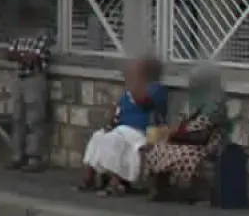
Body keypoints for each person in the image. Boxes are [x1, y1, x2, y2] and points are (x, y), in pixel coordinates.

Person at [142, 65, 231, 202]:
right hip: (188, 138)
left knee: (185, 154)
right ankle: (162, 189)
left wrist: (178, 132)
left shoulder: (216, 102)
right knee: (159, 148)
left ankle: (199, 193)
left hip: (208, 142)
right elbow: (183, 119)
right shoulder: (193, 100)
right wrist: (173, 130)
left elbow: (202, 125)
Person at [79, 58, 166, 195]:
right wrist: (110, 122)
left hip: (140, 131)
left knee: (113, 140)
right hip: (122, 128)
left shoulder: (156, 88)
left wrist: (134, 86)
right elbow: (118, 111)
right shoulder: (128, 92)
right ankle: (89, 178)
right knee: (98, 136)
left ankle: (116, 184)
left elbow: (145, 103)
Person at [4, 21, 54, 172]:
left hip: (35, 78)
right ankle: (17, 156)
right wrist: (22, 56)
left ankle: (34, 157)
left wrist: (21, 56)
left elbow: (32, 58)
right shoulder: (20, 36)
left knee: (34, 119)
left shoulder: (43, 35)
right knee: (17, 118)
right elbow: (9, 54)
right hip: (20, 78)